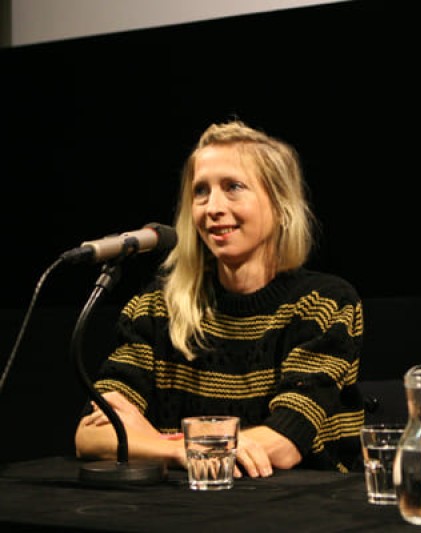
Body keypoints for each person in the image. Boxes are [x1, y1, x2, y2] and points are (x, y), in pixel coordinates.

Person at [74, 119, 365, 477]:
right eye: (200, 191)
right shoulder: (156, 305)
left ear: (280, 204)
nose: (212, 207)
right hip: (181, 513)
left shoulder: (324, 303)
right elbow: (90, 436)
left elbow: (283, 442)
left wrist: (153, 441)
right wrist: (181, 449)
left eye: (233, 187)